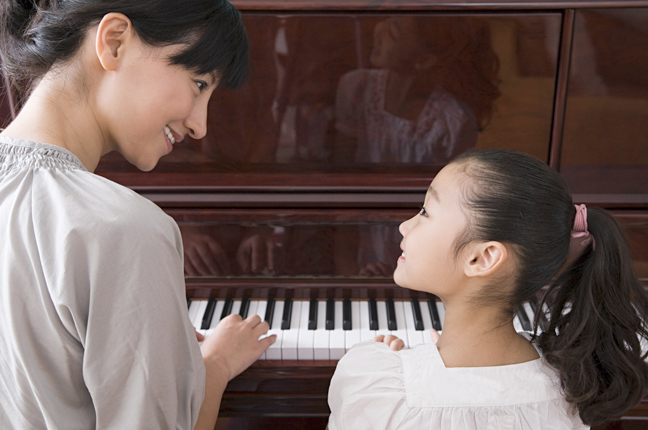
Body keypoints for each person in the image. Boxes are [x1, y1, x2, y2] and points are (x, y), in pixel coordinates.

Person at [0, 1, 275, 429]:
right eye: (199, 83)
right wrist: (215, 365)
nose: (201, 125)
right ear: (114, 42)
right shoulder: (125, 229)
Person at [328, 150, 648, 429]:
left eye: (425, 212)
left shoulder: (374, 381)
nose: (404, 226)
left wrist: (391, 374)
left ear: (482, 258)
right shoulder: (574, 383)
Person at [334, 16, 500, 165]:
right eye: (388, 19)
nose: (378, 30)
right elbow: (342, 161)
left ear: (424, 60)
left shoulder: (450, 120)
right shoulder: (357, 87)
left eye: (395, 28)